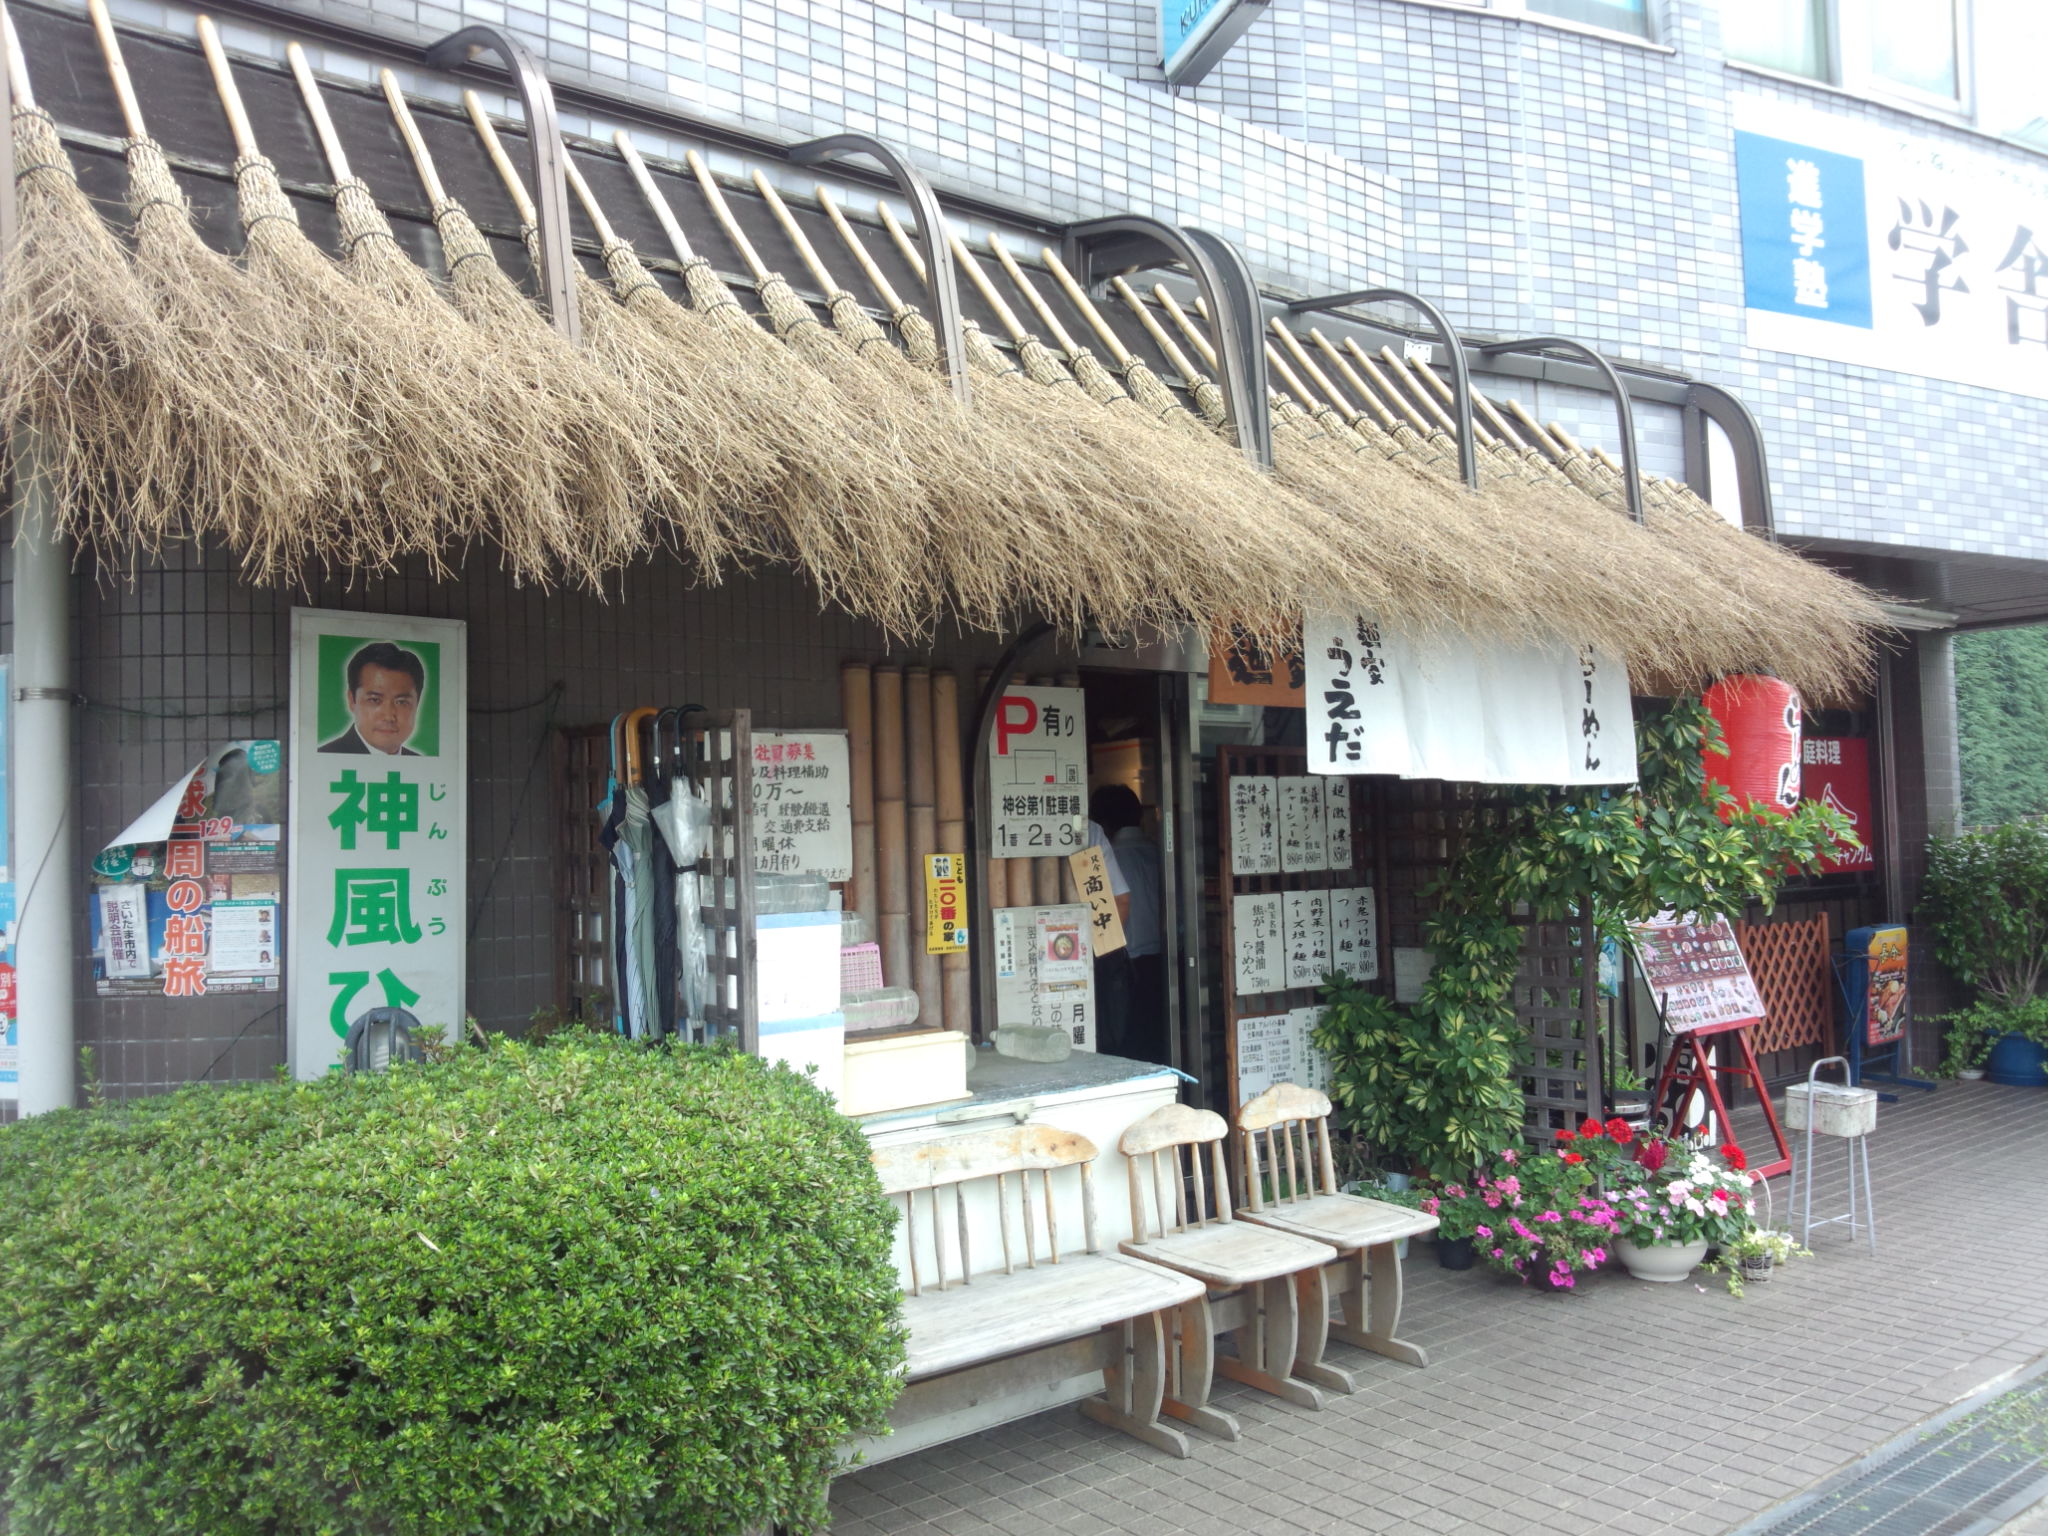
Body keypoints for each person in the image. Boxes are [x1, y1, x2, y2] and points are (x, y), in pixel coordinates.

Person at [1092, 783, 1166, 1063]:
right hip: (1168, 961)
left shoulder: (1107, 861)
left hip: (1127, 967)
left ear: (1104, 822)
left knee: (1128, 1048)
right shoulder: (1161, 854)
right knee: (1160, 1042)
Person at [320, 642, 426, 755]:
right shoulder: (325, 757)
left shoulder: (422, 765)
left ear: (417, 703)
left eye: (401, 702)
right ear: (352, 700)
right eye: (375, 700)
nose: (388, 716)